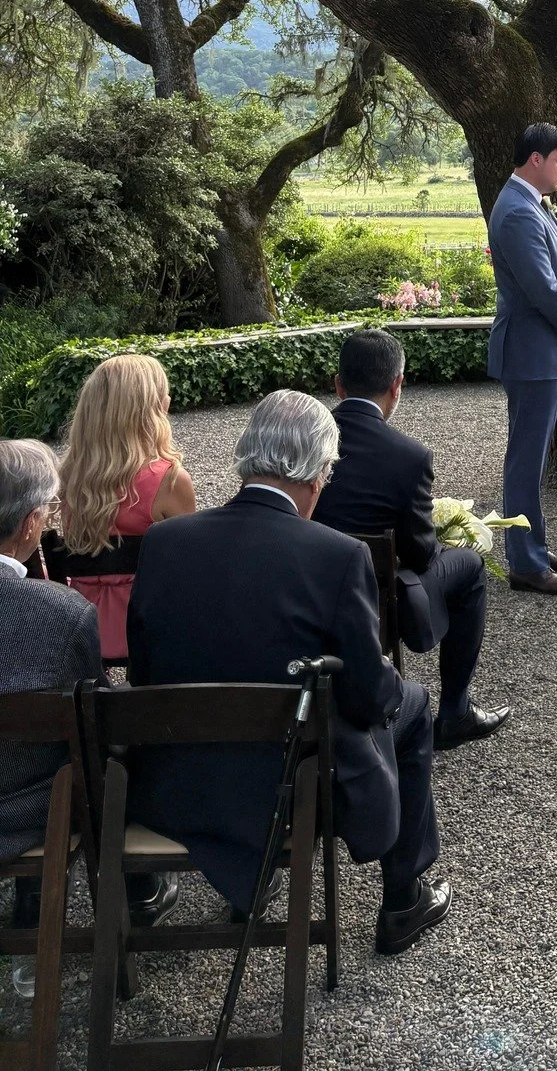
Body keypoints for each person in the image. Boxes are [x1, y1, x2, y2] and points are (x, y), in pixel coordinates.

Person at [126, 391, 450, 956]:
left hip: (176, 781)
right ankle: (403, 898)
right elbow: (369, 695)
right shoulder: (337, 555)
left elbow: (144, 669)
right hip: (289, 785)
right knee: (414, 705)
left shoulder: (165, 542)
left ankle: (249, 882)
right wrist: (392, 692)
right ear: (319, 473)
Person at [1, 440, 175, 989]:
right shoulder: (61, 614)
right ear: (31, 524)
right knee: (90, 758)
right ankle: (130, 893)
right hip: (27, 814)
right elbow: (97, 726)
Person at [314, 329, 511, 749]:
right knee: (471, 566)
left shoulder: (305, 438)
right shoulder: (409, 455)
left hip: (308, 583)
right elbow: (421, 554)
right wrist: (442, 533)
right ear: (396, 386)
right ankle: (455, 710)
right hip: (378, 595)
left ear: (337, 384)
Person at [487, 122, 557, 596]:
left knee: (532, 457)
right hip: (532, 350)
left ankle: (532, 545)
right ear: (535, 159)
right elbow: (542, 287)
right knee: (526, 461)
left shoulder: (529, 203)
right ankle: (525, 564)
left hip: (540, 348)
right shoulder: (517, 212)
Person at [56, 354, 196, 660]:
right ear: (156, 408)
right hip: (148, 624)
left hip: (81, 623)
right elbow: (189, 566)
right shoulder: (169, 480)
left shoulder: (68, 477)